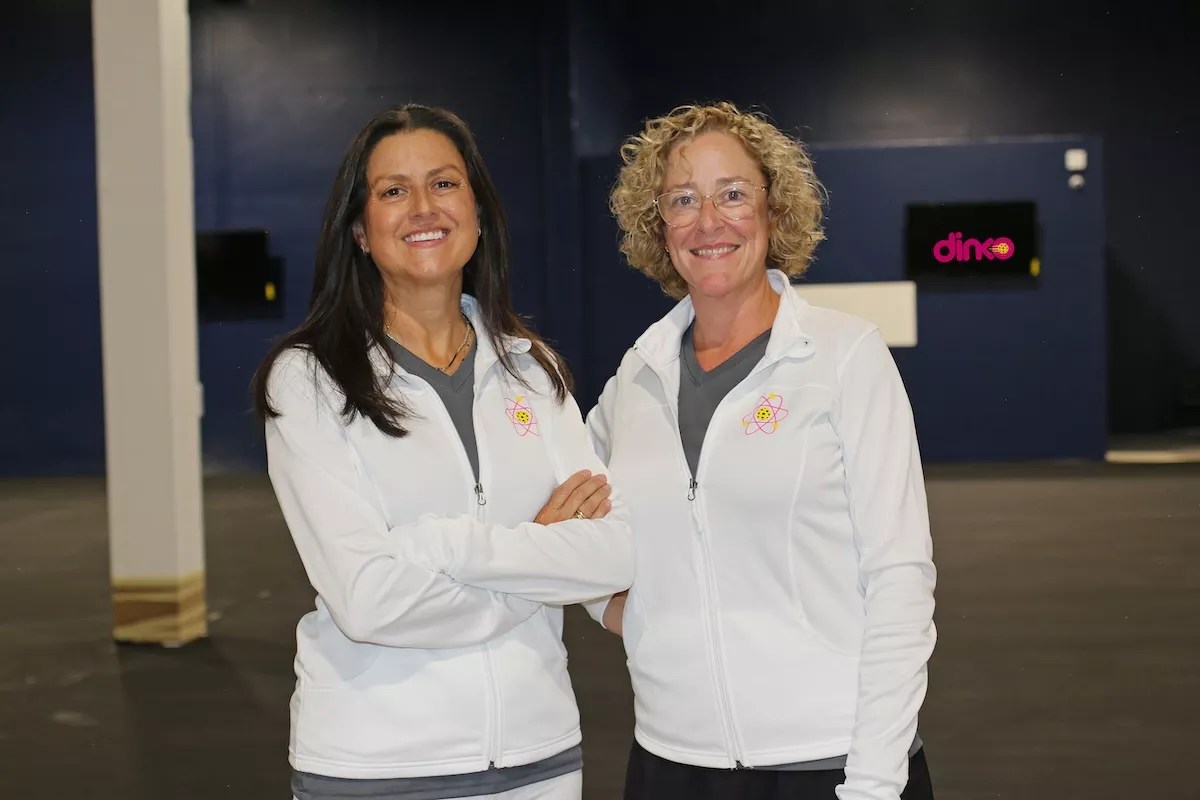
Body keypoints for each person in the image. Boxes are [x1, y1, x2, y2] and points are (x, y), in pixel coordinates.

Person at [252, 104, 634, 800]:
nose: (423, 207)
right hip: (376, 768)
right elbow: (368, 602)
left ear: (478, 213)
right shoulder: (310, 380)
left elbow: (610, 553)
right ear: (360, 230)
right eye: (393, 190)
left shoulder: (533, 370)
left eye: (445, 183)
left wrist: (444, 548)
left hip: (540, 758)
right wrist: (540, 554)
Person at [584, 102, 937, 800]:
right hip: (671, 762)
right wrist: (611, 603)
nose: (707, 221)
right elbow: (566, 503)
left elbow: (900, 579)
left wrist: (873, 780)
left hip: (830, 762)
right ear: (659, 225)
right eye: (682, 200)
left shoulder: (844, 356)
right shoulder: (638, 375)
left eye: (733, 194)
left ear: (773, 211)